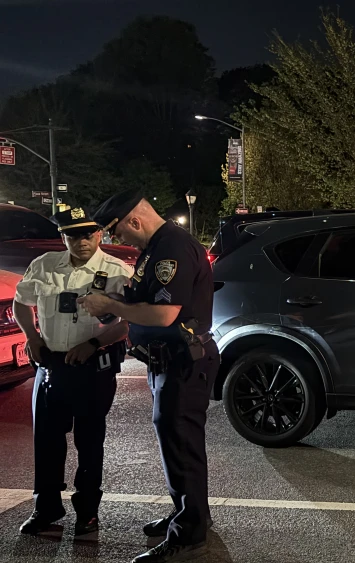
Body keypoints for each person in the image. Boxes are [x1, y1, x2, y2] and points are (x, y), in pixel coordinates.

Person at [79, 193, 218, 563]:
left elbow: (164, 315)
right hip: (168, 361)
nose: (124, 240)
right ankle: (190, 515)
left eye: (121, 232)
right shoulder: (159, 245)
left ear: (134, 222)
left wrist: (110, 306)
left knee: (181, 444)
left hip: (182, 361)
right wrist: (117, 297)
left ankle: (189, 536)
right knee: (175, 441)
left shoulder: (171, 247)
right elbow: (146, 297)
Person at [13, 207, 132, 536]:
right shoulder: (45, 264)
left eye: (88, 234)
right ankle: (47, 508)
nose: (81, 241)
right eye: (73, 235)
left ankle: (88, 512)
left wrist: (93, 344)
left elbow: (125, 323)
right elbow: (21, 301)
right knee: (47, 441)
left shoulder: (117, 271)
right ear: (62, 236)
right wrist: (32, 337)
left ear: (99, 234)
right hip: (51, 364)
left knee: (90, 441)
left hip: (93, 366)